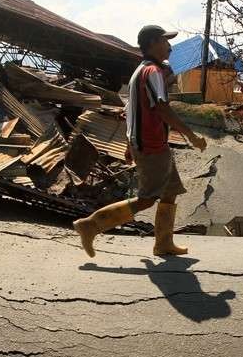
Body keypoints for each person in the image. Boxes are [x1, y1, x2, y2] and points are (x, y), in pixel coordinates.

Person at [73, 25, 207, 258]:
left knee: (170, 192)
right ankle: (91, 225)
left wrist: (128, 144)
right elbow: (163, 108)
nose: (170, 47)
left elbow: (130, 111)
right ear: (153, 43)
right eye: (166, 41)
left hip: (149, 143)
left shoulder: (140, 71)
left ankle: (163, 243)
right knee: (147, 199)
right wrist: (192, 135)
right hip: (152, 144)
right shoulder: (152, 72)